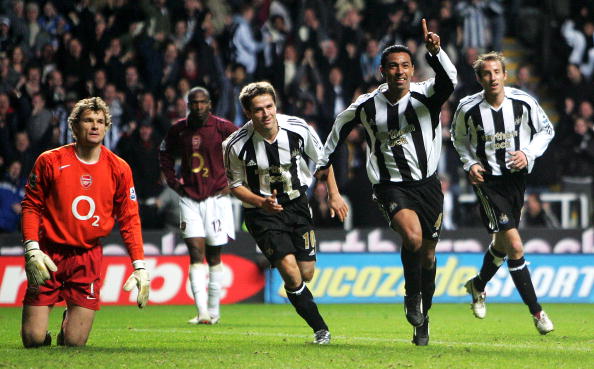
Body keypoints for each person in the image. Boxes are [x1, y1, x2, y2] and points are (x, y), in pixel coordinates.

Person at [316, 19, 457, 346]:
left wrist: (436, 54)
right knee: (413, 236)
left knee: (430, 256)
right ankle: (411, 296)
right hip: (390, 187)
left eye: (406, 66)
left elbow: (450, 82)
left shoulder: (426, 97)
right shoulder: (365, 106)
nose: (400, 72)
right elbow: (333, 141)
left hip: (428, 185)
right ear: (382, 71)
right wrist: (331, 189)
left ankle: (423, 319)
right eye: (393, 66)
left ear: (412, 69)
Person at [223, 81, 348, 344]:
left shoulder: (299, 129)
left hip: (297, 205)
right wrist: (260, 201)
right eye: (258, 109)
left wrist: (334, 195)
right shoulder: (234, 145)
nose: (266, 113)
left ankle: (287, 272)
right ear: (248, 113)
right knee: (291, 273)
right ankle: (320, 329)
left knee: (306, 272)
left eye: (269, 106)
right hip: (262, 212)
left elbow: (324, 161)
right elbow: (234, 185)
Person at [20, 97, 150, 348]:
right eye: (88, 120)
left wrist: (140, 265)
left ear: (106, 127)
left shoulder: (119, 168)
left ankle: (69, 322)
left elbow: (129, 219)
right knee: (33, 340)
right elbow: (31, 206)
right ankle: (42, 332)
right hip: (48, 255)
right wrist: (32, 247)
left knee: (74, 343)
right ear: (74, 126)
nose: (95, 126)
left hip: (87, 258)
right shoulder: (50, 161)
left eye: (100, 121)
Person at [451, 51, 555, 335]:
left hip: (515, 182)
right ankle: (538, 313)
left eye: (497, 72)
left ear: (505, 75)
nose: (492, 77)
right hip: (487, 182)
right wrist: (470, 163)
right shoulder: (467, 108)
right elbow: (457, 139)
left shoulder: (523, 101)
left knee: (500, 244)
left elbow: (546, 131)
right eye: (486, 73)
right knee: (515, 246)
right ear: (479, 78)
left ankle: (478, 285)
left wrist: (527, 153)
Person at [159, 87, 237, 325]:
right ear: (188, 104)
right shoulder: (178, 129)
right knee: (195, 253)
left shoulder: (223, 127)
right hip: (190, 198)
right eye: (194, 103)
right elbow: (164, 155)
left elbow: (245, 151)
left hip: (216, 199)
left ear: (210, 104)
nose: (199, 107)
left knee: (214, 255)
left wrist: (234, 182)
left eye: (203, 102)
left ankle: (214, 311)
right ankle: (202, 312)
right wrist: (174, 183)